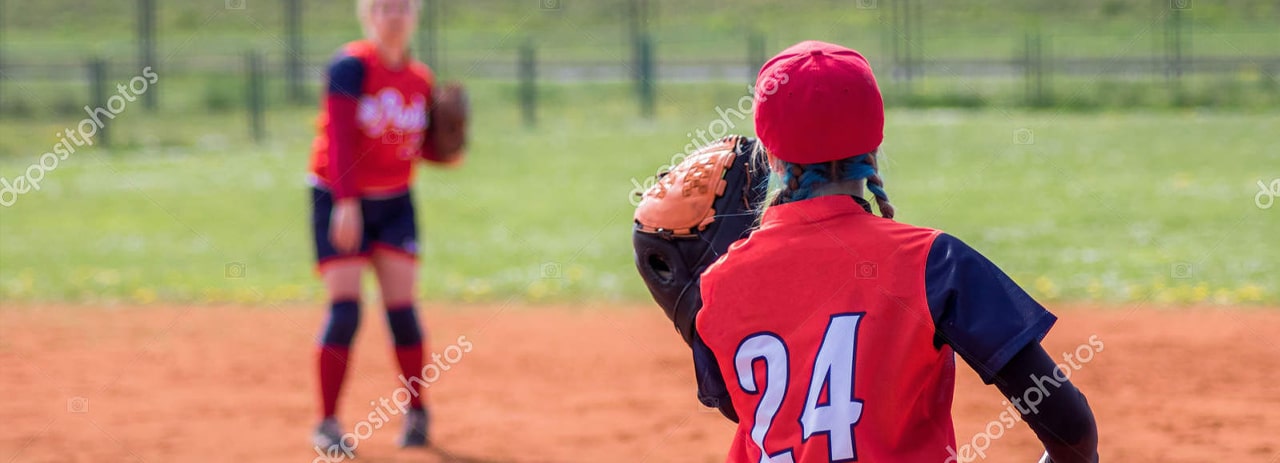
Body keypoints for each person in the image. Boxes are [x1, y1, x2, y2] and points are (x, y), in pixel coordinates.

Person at [691, 41, 1100, 462]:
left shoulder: (719, 281)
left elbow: (741, 406)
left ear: (770, 157)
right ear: (873, 149)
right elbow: (1072, 431)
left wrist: (690, 305)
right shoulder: (935, 263)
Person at [307, 0, 457, 451]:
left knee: (402, 311)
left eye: (403, 7)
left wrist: (448, 151)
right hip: (337, 196)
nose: (394, 15)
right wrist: (346, 203)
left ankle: (417, 412)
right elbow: (339, 138)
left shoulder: (420, 80)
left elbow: (412, 145)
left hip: (395, 203)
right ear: (368, 16)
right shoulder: (350, 66)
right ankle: (328, 422)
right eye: (384, 7)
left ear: (415, 16)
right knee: (346, 308)